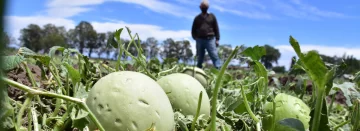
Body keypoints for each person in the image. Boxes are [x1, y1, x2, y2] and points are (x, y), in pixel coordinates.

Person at [191, 0, 222, 69]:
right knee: (199, 57)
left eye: (205, 6)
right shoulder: (197, 18)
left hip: (210, 39)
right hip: (200, 40)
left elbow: (216, 27)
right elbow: (193, 29)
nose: (204, 8)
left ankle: (218, 70)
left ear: (208, 7)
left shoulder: (212, 16)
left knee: (214, 55)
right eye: (203, 6)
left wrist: (217, 39)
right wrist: (195, 37)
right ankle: (198, 70)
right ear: (200, 7)